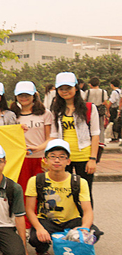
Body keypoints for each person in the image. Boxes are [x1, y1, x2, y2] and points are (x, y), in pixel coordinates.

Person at [25, 139, 97, 255]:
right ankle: (42, 249)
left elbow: (87, 211)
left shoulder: (79, 182)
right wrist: (39, 228)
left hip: (72, 220)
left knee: (93, 233)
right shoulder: (36, 180)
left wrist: (84, 228)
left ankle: (74, 246)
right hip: (47, 220)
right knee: (35, 238)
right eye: (52, 156)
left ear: (68, 161)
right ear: (45, 160)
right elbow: (29, 209)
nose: (57, 160)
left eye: (62, 157)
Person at [49, 72, 99, 205]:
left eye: (68, 88)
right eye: (61, 89)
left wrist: (93, 159)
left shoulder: (89, 108)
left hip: (83, 155)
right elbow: (53, 135)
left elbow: (95, 134)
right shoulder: (56, 109)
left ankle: (86, 222)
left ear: (76, 88)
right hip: (63, 157)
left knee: (85, 191)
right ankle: (67, 221)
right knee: (63, 191)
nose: (65, 92)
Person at [10, 81, 53, 229]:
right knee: (22, 193)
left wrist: (38, 148)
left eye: (27, 95)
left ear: (34, 95)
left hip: (39, 159)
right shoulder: (12, 115)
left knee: (41, 193)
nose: (24, 98)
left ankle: (40, 226)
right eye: (21, 95)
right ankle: (25, 226)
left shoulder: (45, 114)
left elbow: (50, 137)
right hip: (20, 160)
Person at [85, 77, 108, 145]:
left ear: (90, 84)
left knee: (89, 126)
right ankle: (101, 141)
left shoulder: (88, 92)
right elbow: (105, 102)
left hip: (90, 109)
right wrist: (107, 111)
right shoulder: (103, 92)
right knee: (100, 126)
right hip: (100, 110)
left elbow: (84, 100)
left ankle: (91, 140)